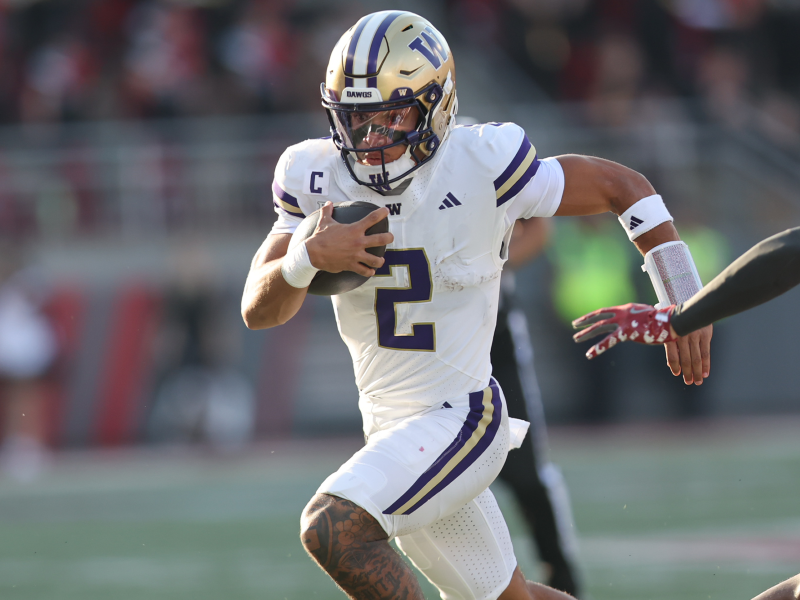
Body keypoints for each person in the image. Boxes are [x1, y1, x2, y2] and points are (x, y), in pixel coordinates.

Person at [241, 11, 710, 599]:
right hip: (389, 427)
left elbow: (625, 187)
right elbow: (258, 310)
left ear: (436, 104)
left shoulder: (482, 161)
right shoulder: (313, 177)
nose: (373, 140)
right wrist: (305, 257)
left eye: (393, 116)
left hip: (461, 417)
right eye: (357, 119)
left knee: (333, 528)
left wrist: (684, 296)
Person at [492, 218, 582, 595]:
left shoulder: (484, 172)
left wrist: (481, 268)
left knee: (526, 471)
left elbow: (539, 228)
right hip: (413, 351)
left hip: (489, 336)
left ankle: (561, 576)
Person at [572, 226, 800, 358]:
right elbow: (783, 257)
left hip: (703, 318)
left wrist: (676, 319)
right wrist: (677, 319)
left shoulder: (708, 239)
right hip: (693, 317)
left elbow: (782, 257)